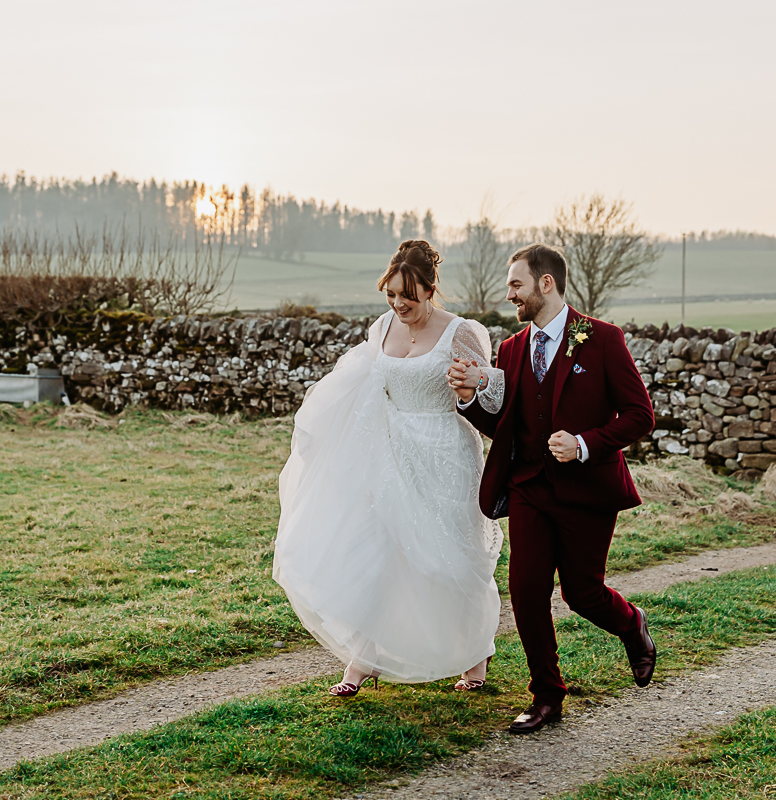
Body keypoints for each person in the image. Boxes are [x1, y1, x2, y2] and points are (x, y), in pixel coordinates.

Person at [273, 240, 502, 696]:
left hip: (446, 455)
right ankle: (362, 660)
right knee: (380, 553)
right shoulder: (380, 328)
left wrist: (471, 387)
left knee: (455, 559)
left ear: (430, 290)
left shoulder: (461, 332)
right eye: (391, 294)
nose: (398, 305)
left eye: (408, 297)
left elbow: (493, 397)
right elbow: (361, 387)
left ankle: (475, 656)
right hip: (390, 456)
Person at [448, 243, 656, 734]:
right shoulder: (510, 350)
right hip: (529, 488)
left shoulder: (602, 338)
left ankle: (632, 624)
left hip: (588, 490)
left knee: (582, 593)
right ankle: (546, 695)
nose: (509, 295)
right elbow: (508, 428)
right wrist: (470, 399)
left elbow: (639, 416)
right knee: (525, 591)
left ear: (546, 283)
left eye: (516, 284)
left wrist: (584, 444)